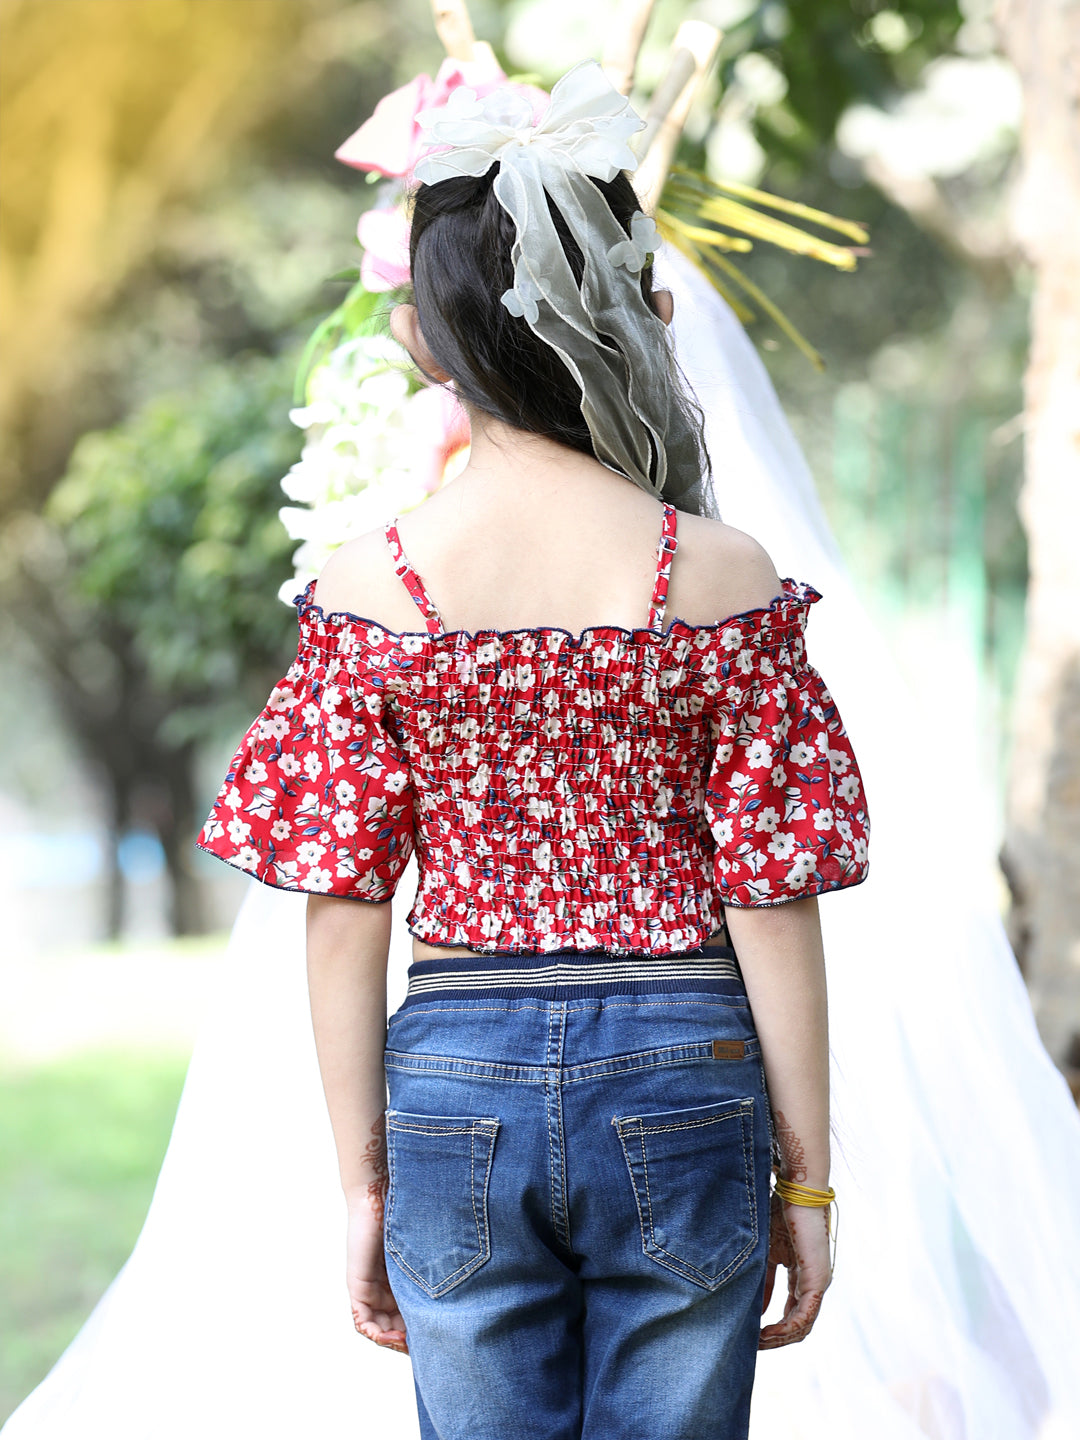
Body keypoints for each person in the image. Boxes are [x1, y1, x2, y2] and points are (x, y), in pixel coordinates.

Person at [195, 62, 869, 1440]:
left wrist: (364, 1181)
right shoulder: (719, 576)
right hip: (686, 1065)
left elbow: (339, 912)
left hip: (455, 1078)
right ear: (625, 309)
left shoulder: (372, 591)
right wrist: (806, 1182)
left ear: (429, 343)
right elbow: (772, 895)